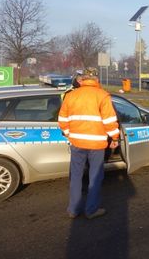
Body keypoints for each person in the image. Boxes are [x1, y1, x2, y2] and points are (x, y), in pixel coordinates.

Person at [58, 67, 120, 219]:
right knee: (95, 177)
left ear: (82, 79)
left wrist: (69, 135)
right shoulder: (102, 95)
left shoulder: (71, 95)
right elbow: (110, 121)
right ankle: (91, 210)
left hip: (77, 143)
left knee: (76, 177)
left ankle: (73, 210)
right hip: (97, 145)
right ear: (96, 79)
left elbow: (62, 120)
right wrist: (115, 138)